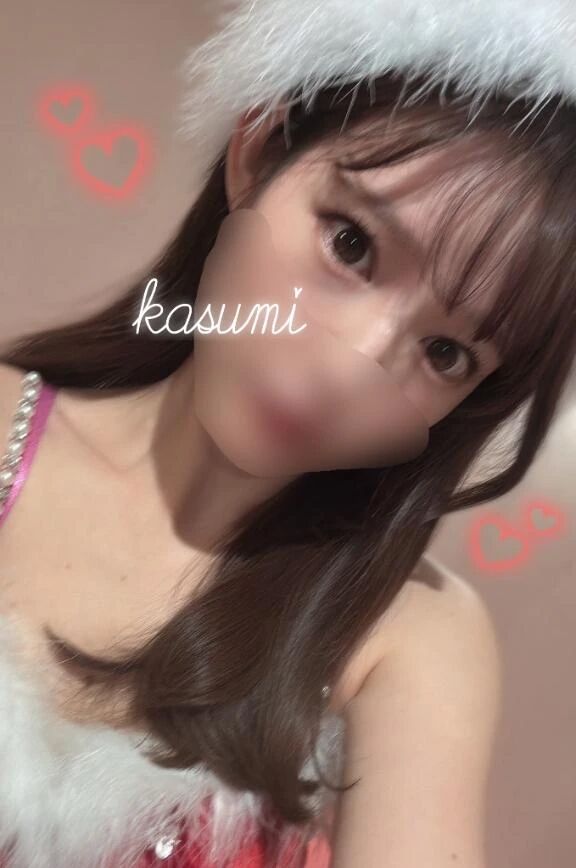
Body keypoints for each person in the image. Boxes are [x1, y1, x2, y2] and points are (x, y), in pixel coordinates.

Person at [1, 0, 575, 865]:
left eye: (446, 353)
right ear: (257, 152)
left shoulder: (406, 634)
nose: (353, 370)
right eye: (351, 244)